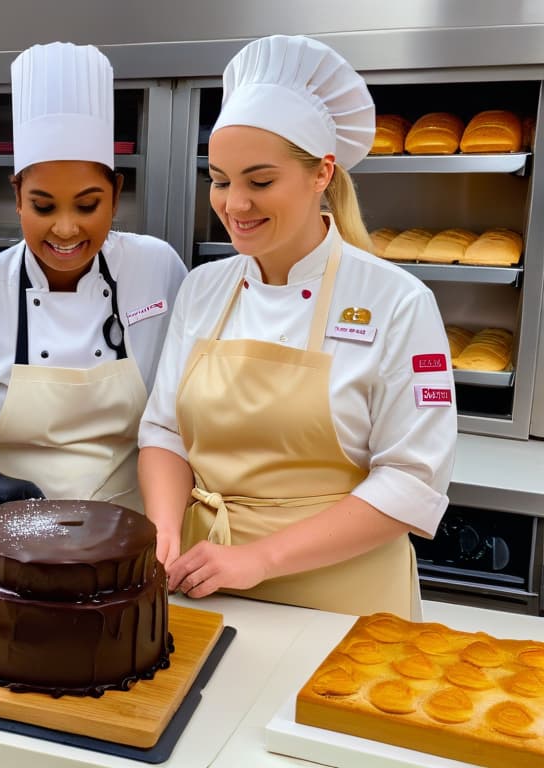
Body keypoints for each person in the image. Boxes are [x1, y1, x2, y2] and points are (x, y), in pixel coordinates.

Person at [138, 35, 457, 619]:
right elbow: (165, 431)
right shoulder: (203, 289)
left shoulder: (398, 302)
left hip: (343, 597)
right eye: (219, 179)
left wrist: (258, 558)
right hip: (203, 578)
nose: (234, 204)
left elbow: (412, 482)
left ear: (321, 174)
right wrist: (162, 531)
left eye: (260, 182)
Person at [0, 42, 188, 525]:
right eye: (44, 207)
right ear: (17, 198)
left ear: (116, 195)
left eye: (88, 206)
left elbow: (183, 410)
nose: (66, 230)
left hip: (129, 534)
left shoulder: (157, 269)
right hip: (7, 537)